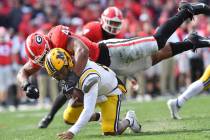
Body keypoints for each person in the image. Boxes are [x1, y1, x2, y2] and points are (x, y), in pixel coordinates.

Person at [17, 0, 210, 125]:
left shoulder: (58, 37)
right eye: (41, 59)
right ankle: (190, 42)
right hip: (106, 70)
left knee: (157, 43)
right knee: (154, 58)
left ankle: (185, 11)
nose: (46, 60)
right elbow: (23, 72)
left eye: (46, 55)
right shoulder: (44, 57)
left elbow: (82, 51)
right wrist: (26, 85)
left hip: (109, 53)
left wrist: (71, 78)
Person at [38, 6, 125, 128]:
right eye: (112, 22)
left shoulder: (116, 36)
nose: (114, 26)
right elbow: (81, 48)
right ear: (103, 20)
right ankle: (50, 115)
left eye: (117, 23)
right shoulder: (92, 29)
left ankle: (109, 106)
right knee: (68, 88)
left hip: (94, 63)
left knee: (79, 87)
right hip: (83, 60)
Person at [44, 48, 141, 139]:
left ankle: (129, 119)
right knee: (69, 118)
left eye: (61, 71)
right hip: (92, 93)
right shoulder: (70, 72)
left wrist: (72, 131)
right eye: (57, 75)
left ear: (67, 62)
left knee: (110, 131)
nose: (61, 76)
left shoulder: (88, 76)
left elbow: (88, 110)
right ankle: (101, 117)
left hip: (110, 93)